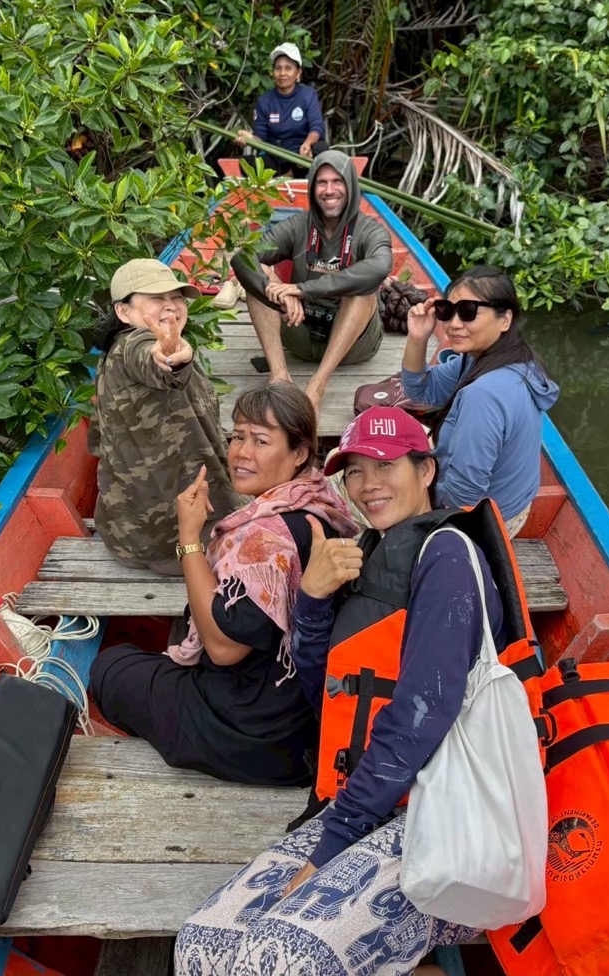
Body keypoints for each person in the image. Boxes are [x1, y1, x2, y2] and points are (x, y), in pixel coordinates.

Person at [174, 406, 510, 975]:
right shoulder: (371, 553)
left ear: (426, 470)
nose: (368, 484)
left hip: (440, 818)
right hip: (364, 800)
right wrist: (311, 598)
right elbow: (324, 695)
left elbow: (419, 718)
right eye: (354, 471)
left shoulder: (447, 557)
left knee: (279, 959)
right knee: (198, 948)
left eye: (385, 465)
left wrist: (332, 844)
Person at [89, 383, 358, 786]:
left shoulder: (264, 541)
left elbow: (224, 649)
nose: (241, 452)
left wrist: (188, 537)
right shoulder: (319, 504)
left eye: (261, 440)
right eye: (237, 436)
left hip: (250, 734)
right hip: (300, 720)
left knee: (110, 667)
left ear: (300, 453)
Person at [89, 258, 239, 578]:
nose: (171, 306)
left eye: (176, 298)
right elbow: (153, 358)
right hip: (169, 539)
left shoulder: (117, 349)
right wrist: (172, 358)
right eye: (157, 298)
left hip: (129, 530)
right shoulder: (135, 345)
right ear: (123, 311)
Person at [401, 264, 559, 536]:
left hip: (486, 521)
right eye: (447, 311)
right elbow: (421, 389)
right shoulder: (500, 357)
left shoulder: (484, 395)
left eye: (468, 311)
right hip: (512, 505)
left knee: (350, 476)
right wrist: (417, 338)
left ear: (505, 319)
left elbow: (463, 496)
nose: (453, 324)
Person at [232, 149, 392, 411]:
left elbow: (380, 266)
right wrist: (281, 296)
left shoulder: (370, 230)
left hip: (353, 345)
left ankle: (316, 387)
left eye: (337, 181)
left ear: (351, 185)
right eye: (321, 182)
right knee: (260, 276)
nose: (329, 190)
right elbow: (243, 257)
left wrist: (302, 289)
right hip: (300, 331)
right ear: (312, 187)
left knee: (363, 290)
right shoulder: (298, 225)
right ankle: (279, 378)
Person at [236, 42, 326, 174]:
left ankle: (291, 174)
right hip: (274, 158)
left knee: (321, 148)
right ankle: (282, 176)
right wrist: (250, 139)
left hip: (301, 159)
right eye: (278, 68)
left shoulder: (308, 95)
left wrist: (307, 144)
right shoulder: (264, 101)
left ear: (298, 73)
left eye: (288, 68)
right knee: (245, 163)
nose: (282, 73)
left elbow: (317, 127)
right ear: (273, 72)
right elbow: (261, 138)